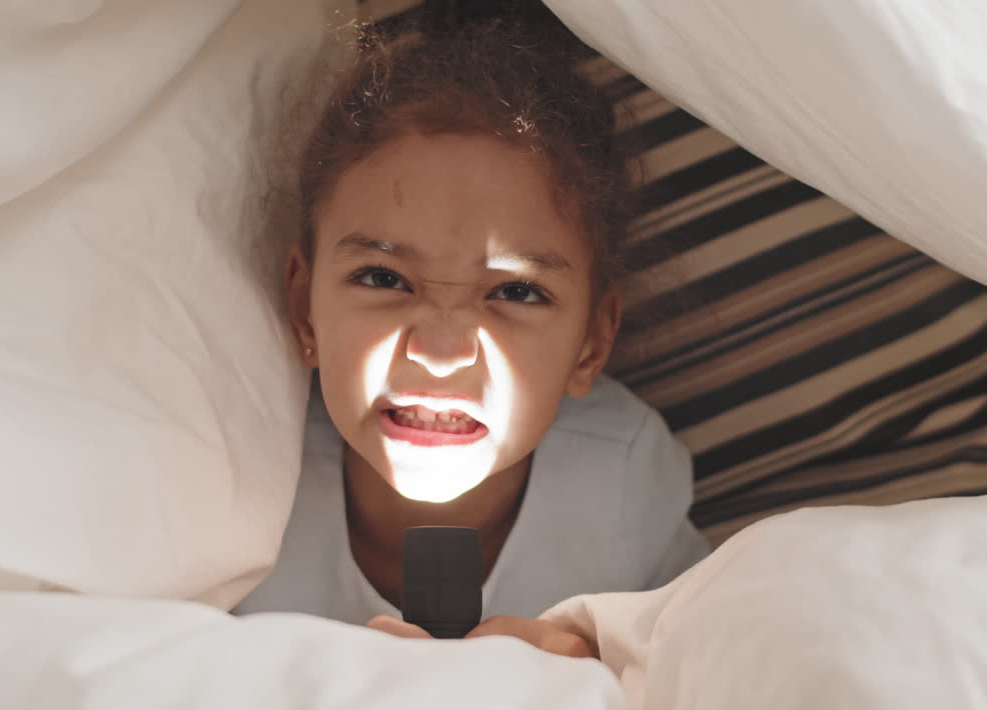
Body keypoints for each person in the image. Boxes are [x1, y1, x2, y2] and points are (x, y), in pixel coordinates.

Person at [234, 19, 709, 658]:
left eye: (515, 292)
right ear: (304, 305)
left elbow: (697, 668)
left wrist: (596, 674)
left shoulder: (621, 482)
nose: (440, 352)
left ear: (592, 342)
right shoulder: (247, 472)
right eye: (384, 277)